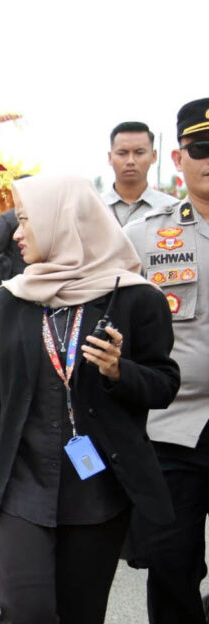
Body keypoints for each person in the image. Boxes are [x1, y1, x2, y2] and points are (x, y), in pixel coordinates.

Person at [0, 175, 179, 623]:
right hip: (20, 482)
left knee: (81, 614)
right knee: (25, 609)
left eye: (25, 222)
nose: (16, 234)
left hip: (98, 490)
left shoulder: (134, 298)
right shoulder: (11, 299)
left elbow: (164, 384)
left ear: (63, 222)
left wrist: (119, 371)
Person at [123, 98, 209, 624]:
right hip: (173, 428)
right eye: (202, 149)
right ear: (178, 158)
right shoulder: (147, 236)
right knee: (173, 563)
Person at [103, 121, 176, 226]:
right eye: (122, 153)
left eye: (139, 152)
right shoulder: (92, 207)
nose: (130, 161)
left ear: (154, 156)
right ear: (110, 157)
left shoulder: (171, 209)